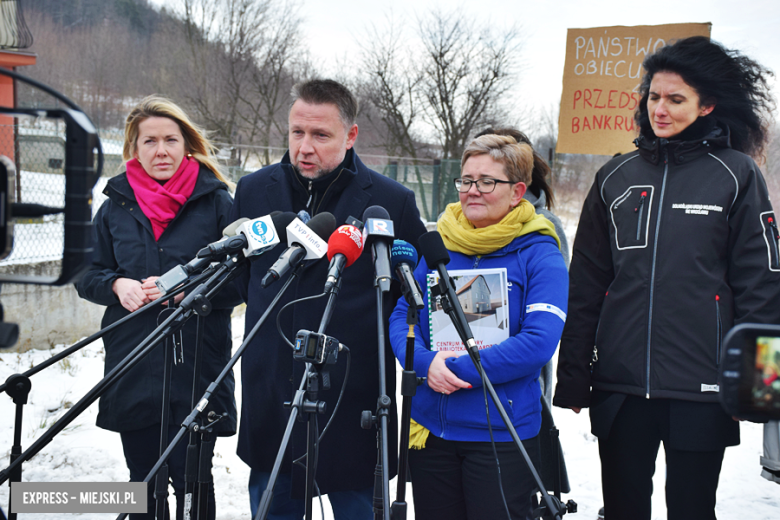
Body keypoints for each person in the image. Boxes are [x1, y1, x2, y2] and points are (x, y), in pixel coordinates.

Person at [554, 36, 780, 520]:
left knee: (693, 511)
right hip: (620, 386)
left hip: (703, 389)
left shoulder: (736, 175)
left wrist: (760, 385)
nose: (660, 108)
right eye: (654, 96)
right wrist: (574, 374)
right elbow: (587, 283)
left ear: (707, 105)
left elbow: (762, 284)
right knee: (622, 509)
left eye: (676, 99)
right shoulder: (615, 175)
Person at [229, 78, 427, 519]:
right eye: (297, 132)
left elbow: (405, 293)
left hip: (353, 395)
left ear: (350, 135)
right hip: (272, 387)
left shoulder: (391, 202)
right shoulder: (253, 191)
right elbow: (239, 283)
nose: (304, 146)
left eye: (320, 135)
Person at [389, 134, 568, 520]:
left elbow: (538, 341)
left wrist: (453, 368)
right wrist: (424, 363)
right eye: (466, 180)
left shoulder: (539, 252)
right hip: (432, 432)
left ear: (517, 191)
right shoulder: (438, 244)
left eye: (487, 181)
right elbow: (404, 314)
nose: (472, 191)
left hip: (501, 435)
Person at [76, 95, 239, 520]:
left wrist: (191, 291)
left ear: (187, 144)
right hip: (134, 362)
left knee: (193, 485)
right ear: (135, 147)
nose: (161, 150)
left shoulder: (219, 203)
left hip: (198, 365)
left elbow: (242, 279)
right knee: (141, 482)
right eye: (150, 141)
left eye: (170, 139)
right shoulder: (114, 206)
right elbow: (85, 271)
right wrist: (116, 285)